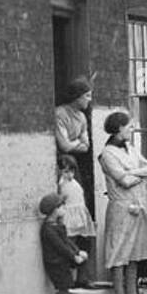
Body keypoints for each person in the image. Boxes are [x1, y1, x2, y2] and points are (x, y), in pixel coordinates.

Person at [98, 109, 147, 294]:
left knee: (135, 253)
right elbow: (123, 181)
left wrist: (132, 173)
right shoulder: (107, 154)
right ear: (118, 128)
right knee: (119, 252)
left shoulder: (130, 148)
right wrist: (136, 175)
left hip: (139, 204)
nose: (131, 129)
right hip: (122, 208)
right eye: (129, 126)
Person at [39, 192, 86, 294]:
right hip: (55, 262)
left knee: (67, 284)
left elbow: (66, 241)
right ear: (54, 210)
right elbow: (60, 246)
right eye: (61, 207)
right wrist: (73, 256)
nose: (63, 209)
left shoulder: (58, 226)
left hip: (62, 261)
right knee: (63, 286)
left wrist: (77, 251)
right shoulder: (48, 229)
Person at [54, 77, 95, 216]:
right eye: (87, 96)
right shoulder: (60, 113)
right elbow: (63, 146)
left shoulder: (82, 117)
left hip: (73, 163)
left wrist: (72, 144)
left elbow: (86, 146)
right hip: (60, 164)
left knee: (77, 198)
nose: (89, 100)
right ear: (77, 97)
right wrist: (77, 142)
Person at [57, 155, 96, 287]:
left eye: (72, 171)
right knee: (70, 247)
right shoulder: (61, 184)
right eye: (66, 171)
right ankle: (67, 278)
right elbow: (60, 201)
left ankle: (82, 277)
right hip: (69, 219)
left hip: (80, 218)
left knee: (84, 246)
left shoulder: (75, 183)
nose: (70, 174)